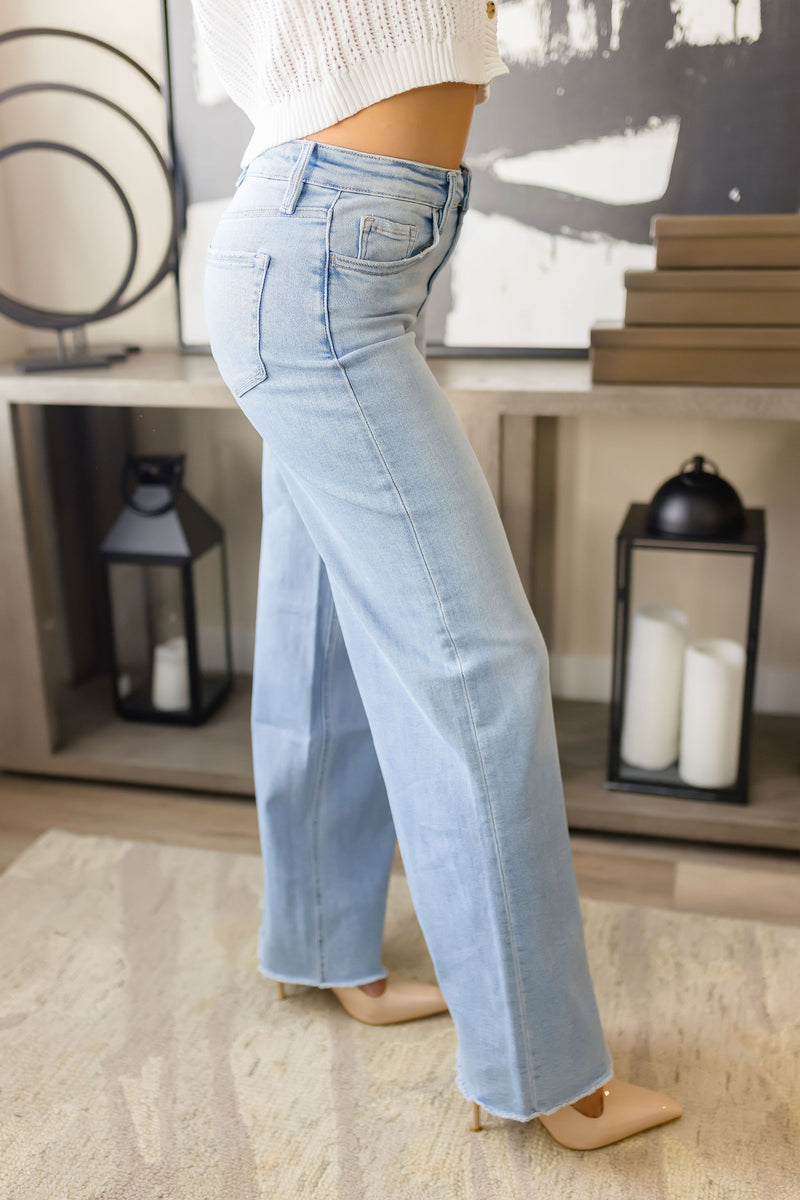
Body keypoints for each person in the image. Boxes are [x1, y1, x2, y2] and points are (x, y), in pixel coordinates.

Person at [195, 0, 683, 1151]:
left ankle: (322, 948)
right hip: (320, 262)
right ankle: (540, 1072)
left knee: (319, 623)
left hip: (334, 249)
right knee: (479, 665)